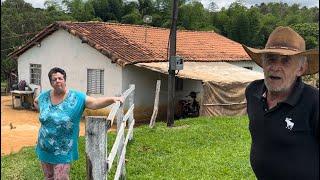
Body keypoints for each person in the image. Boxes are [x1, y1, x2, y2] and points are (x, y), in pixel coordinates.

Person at [243, 26, 319, 179]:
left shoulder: (314, 102)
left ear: (300, 69)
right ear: (263, 63)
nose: (276, 67)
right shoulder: (252, 92)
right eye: (271, 58)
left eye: (285, 61)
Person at [33, 67, 124, 180]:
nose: (57, 81)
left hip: (63, 149)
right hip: (44, 146)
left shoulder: (76, 98)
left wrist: (112, 99)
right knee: (48, 176)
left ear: (65, 80)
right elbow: (36, 101)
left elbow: (95, 102)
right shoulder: (44, 97)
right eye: (54, 79)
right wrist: (44, 113)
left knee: (61, 178)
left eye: (60, 78)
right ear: (51, 82)